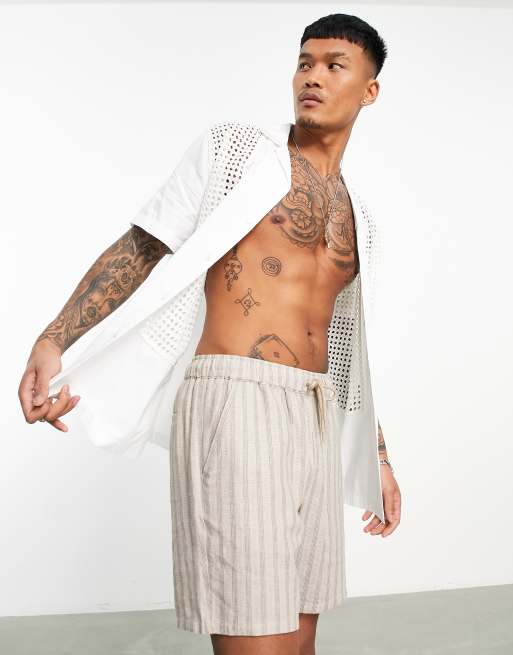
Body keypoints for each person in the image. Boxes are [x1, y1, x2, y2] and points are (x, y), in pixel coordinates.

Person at [18, 12, 401, 655]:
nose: (312, 77)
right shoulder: (235, 151)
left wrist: (377, 457)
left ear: (370, 90)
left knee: (301, 639)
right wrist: (54, 339)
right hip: (236, 396)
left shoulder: (359, 215)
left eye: (335, 65)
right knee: (256, 633)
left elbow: (344, 351)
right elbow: (144, 246)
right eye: (304, 63)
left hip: (316, 412)